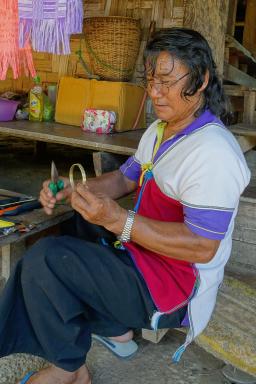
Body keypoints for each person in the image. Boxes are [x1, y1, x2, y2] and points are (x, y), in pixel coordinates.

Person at [0, 28, 251, 384]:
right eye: (151, 80)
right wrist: (73, 190)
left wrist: (120, 221)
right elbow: (123, 180)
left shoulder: (213, 154)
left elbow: (202, 246)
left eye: (166, 80)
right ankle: (117, 331)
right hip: (143, 254)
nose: (155, 92)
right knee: (78, 223)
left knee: (46, 261)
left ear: (201, 78)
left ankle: (69, 370)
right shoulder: (161, 130)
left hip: (174, 287)